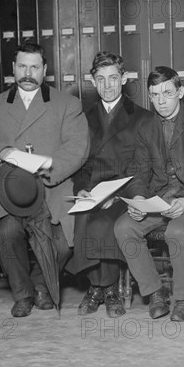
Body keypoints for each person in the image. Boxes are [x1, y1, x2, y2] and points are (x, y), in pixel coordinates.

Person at [0, 43, 89, 317]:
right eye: (22, 66)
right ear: (13, 69)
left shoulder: (67, 104)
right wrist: (4, 152)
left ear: (45, 71)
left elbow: (77, 147)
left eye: (34, 67)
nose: (27, 72)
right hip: (10, 191)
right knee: (7, 233)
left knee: (64, 242)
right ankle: (23, 294)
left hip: (52, 187)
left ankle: (40, 285)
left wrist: (45, 165)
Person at [113, 66, 184, 322]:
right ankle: (155, 292)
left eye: (167, 93)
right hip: (160, 198)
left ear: (180, 92)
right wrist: (139, 198)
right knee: (123, 227)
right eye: (154, 95)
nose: (161, 101)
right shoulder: (144, 127)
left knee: (177, 231)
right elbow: (139, 173)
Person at [69, 51, 148, 318]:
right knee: (84, 218)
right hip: (92, 190)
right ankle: (98, 287)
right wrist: (80, 187)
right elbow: (78, 161)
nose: (107, 85)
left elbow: (141, 166)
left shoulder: (141, 117)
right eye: (100, 79)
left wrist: (119, 195)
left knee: (104, 222)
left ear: (124, 79)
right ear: (92, 81)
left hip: (124, 192)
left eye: (113, 78)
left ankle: (107, 288)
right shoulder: (83, 117)